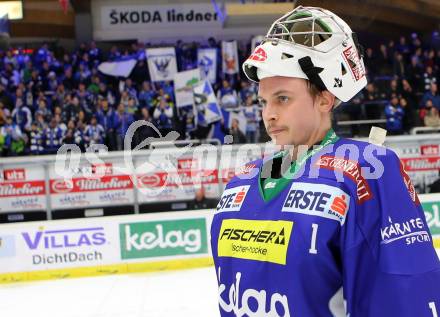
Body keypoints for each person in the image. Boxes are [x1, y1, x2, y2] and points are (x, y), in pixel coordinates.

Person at [210, 6, 440, 317]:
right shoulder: (241, 182)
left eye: (283, 98)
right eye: (264, 101)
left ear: (324, 99)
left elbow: (405, 296)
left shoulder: (368, 171)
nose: (269, 114)